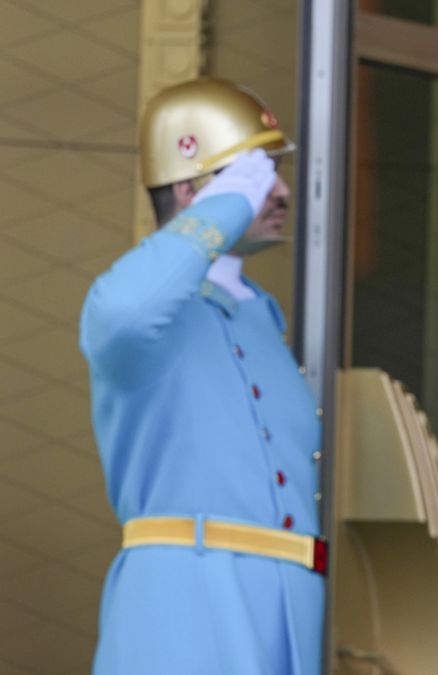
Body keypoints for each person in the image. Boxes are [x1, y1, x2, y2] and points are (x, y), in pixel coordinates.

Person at [80, 78, 325, 674]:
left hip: (288, 608)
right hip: (181, 599)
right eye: (254, 176)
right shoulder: (141, 317)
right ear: (190, 190)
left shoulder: (261, 315)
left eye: (271, 174)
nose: (278, 191)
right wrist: (227, 205)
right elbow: (124, 308)